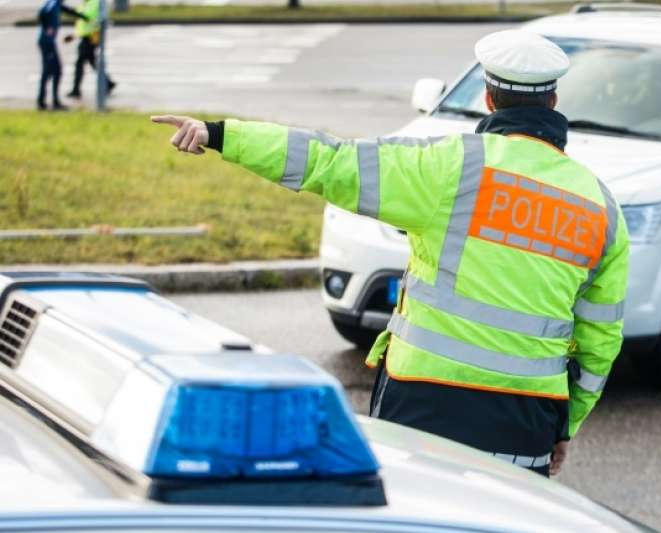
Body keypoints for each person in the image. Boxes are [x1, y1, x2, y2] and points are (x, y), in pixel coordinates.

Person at [151, 30, 629, 478]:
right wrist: (565, 424)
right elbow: (600, 340)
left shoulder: (449, 167)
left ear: (489, 97)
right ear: (553, 102)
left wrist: (220, 134)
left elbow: (328, 160)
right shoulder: (600, 206)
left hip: (425, 403)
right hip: (526, 419)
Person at [36, 0, 85, 110]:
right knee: (55, 70)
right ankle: (52, 102)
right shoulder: (53, 2)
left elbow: (68, 10)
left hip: (48, 41)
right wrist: (46, 28)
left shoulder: (56, 3)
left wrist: (83, 17)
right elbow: (42, 13)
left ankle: (43, 101)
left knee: (49, 71)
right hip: (46, 42)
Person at [66, 0, 115, 100]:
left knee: (80, 63)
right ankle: (108, 83)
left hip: (91, 38)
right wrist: (74, 35)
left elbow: (87, 17)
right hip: (86, 37)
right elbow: (81, 21)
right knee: (92, 62)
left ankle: (76, 90)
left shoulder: (95, 2)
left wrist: (72, 12)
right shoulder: (87, 2)